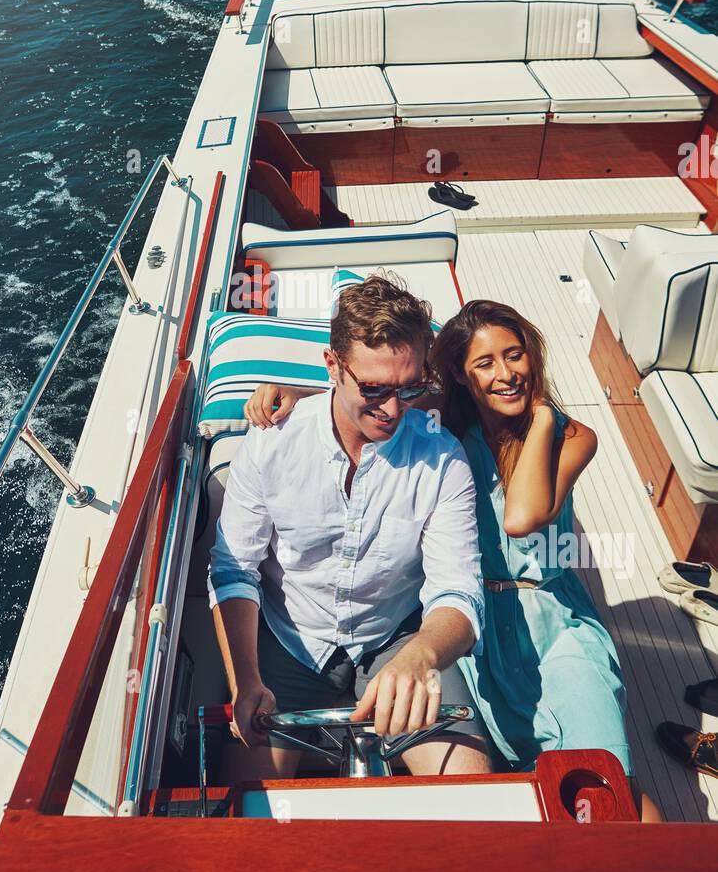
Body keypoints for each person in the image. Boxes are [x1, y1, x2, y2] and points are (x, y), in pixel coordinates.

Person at [246, 293, 661, 821]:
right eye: (484, 363)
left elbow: (522, 517)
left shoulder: (571, 437)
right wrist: (292, 393)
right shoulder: (446, 420)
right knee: (525, 773)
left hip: (551, 624)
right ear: (462, 377)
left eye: (515, 355)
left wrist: (537, 419)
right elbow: (365, 398)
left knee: (599, 778)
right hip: (477, 631)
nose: (506, 374)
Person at [207, 275, 492, 784]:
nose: (393, 409)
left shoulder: (444, 459)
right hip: (288, 639)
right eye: (376, 389)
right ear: (333, 367)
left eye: (410, 388)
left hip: (399, 638)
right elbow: (235, 569)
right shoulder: (270, 442)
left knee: (470, 788)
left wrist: (422, 654)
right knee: (244, 811)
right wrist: (245, 680)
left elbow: (459, 591)